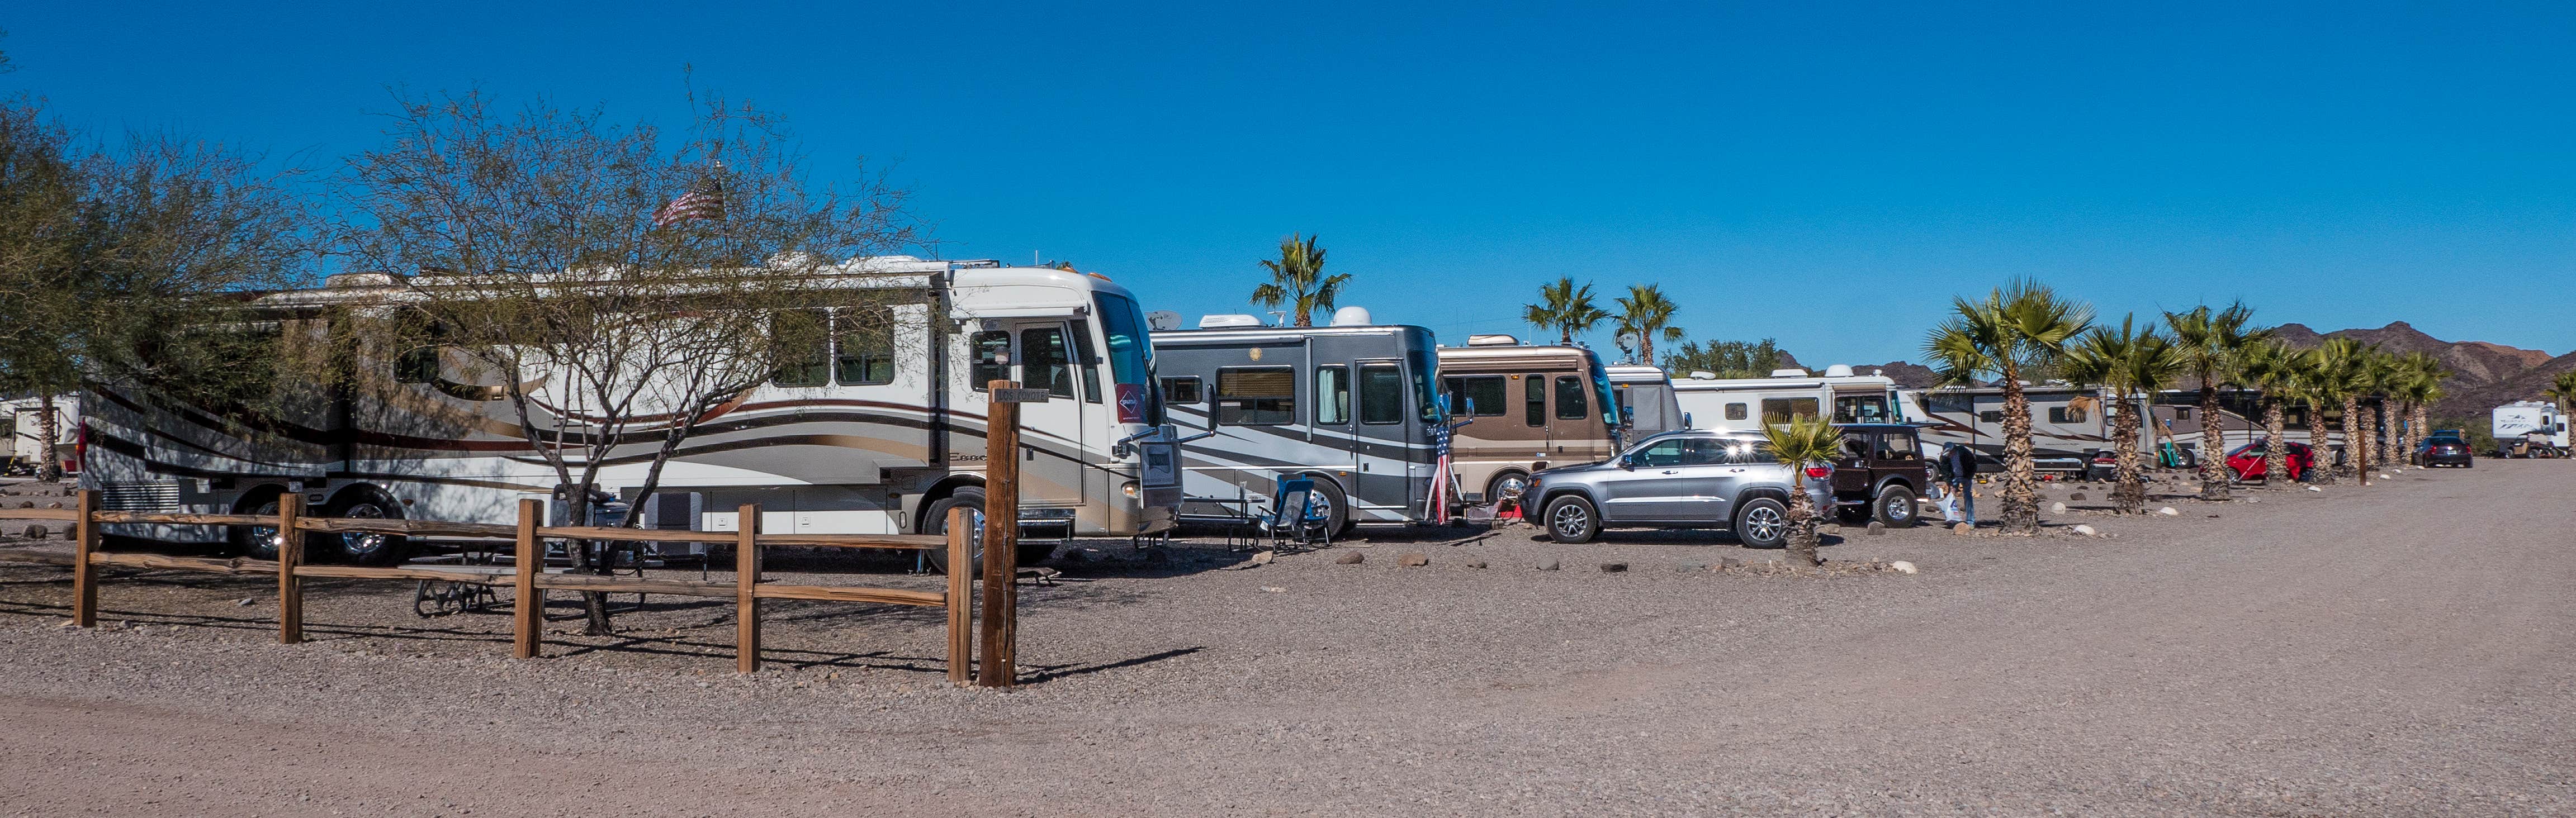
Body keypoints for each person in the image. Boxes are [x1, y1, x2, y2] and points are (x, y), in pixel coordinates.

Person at [1937, 442, 1977, 527]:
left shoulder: (1964, 453)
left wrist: (1968, 477)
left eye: (1950, 453)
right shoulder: (1945, 457)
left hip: (1966, 476)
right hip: (1954, 478)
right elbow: (1945, 470)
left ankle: (1970, 521)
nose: (1949, 455)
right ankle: (1952, 519)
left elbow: (1973, 465)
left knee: (1968, 496)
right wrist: (1949, 483)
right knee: (1950, 497)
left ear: (1953, 450)